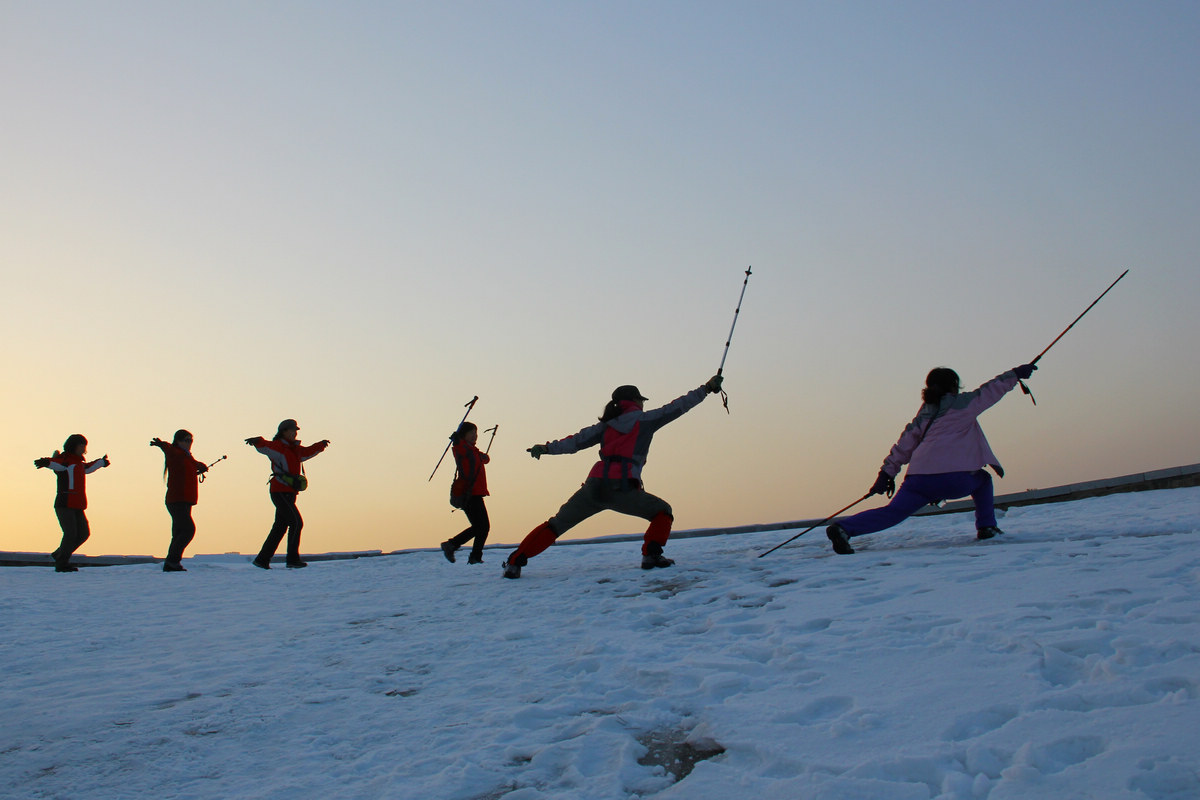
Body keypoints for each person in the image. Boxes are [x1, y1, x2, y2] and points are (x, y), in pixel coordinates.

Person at [502, 375, 723, 579]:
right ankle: (651, 556)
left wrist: (546, 448)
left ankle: (515, 562)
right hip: (622, 487)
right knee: (662, 512)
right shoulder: (645, 420)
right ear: (636, 401)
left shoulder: (605, 426)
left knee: (557, 524)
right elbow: (678, 407)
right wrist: (706, 388)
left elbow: (575, 441)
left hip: (594, 485)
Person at [826, 363, 1037, 554]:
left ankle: (843, 529)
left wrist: (885, 475)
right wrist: (1015, 374)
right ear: (954, 386)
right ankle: (987, 527)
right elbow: (990, 391)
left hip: (919, 481)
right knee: (983, 480)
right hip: (956, 479)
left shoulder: (922, 417)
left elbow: (902, 447)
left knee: (893, 512)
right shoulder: (963, 404)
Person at [245, 419, 330, 569]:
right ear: (284, 431)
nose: (295, 433)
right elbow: (265, 446)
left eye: (296, 430)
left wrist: (321, 445)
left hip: (288, 493)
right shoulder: (278, 447)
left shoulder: (295, 449)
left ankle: (262, 560)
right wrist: (257, 441)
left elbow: (307, 452)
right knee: (296, 523)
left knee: (280, 527)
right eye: (293, 430)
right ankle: (292, 560)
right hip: (280, 492)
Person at [33, 434, 111, 572]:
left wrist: (101, 462)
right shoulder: (66, 461)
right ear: (73, 446)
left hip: (78, 505)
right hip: (65, 503)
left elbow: (88, 468)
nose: (83, 448)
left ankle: (59, 554)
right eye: (81, 445)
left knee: (83, 534)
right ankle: (62, 563)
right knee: (70, 533)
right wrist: (46, 462)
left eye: (84, 446)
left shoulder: (79, 464)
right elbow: (57, 464)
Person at [150, 430, 209, 572]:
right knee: (188, 530)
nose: (189, 443)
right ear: (178, 441)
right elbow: (168, 449)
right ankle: (172, 561)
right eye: (186, 440)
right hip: (177, 499)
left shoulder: (186, 456)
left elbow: (194, 464)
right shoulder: (175, 453)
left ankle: (171, 563)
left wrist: (201, 466)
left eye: (191, 441)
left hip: (184, 499)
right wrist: (161, 444)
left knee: (178, 532)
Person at [440, 422, 491, 564]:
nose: (475, 436)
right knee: (482, 526)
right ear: (464, 435)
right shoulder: (461, 448)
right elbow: (459, 449)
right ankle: (457, 547)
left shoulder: (473, 450)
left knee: (481, 527)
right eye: (472, 433)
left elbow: (485, 459)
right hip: (470, 494)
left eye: (476, 433)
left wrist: (484, 457)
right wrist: (457, 440)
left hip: (476, 493)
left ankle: (464, 550)